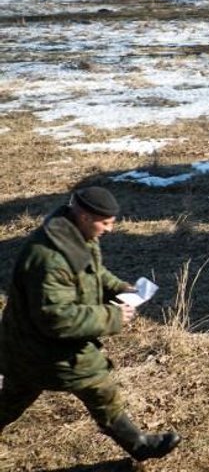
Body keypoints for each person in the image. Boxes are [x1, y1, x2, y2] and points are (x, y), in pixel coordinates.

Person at [0, 186, 180, 462]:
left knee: (13, 399)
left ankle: (139, 445)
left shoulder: (76, 237)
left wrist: (119, 288)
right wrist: (112, 316)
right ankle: (140, 445)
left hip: (37, 348)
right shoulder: (49, 259)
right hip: (41, 349)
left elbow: (93, 273)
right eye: (105, 223)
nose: (109, 229)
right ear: (84, 216)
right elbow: (57, 318)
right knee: (98, 387)